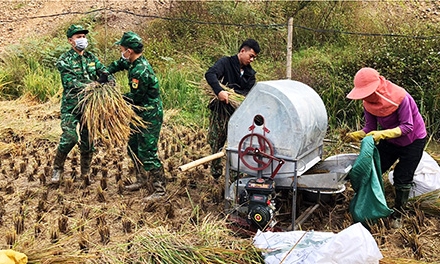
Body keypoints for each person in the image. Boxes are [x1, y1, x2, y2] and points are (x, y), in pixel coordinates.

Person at [346, 67, 427, 228]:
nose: (365, 96)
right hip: (391, 141)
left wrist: (382, 134)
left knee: (402, 177)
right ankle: (370, 203)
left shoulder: (400, 97)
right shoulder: (368, 103)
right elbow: (369, 128)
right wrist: (358, 134)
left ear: (376, 87)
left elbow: (407, 127)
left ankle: (398, 213)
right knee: (374, 168)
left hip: (413, 140)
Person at [107, 31, 166, 198]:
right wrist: (106, 71)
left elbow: (136, 98)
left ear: (129, 51)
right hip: (138, 113)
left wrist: (115, 97)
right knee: (133, 146)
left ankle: (160, 189)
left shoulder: (140, 71)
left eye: (122, 48)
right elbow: (120, 64)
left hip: (149, 114)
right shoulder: (133, 63)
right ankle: (141, 179)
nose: (121, 51)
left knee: (148, 151)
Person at [52, 24, 113, 185]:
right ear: (70, 41)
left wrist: (107, 79)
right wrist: (92, 85)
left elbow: (105, 72)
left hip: (90, 106)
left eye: (84, 37)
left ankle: (85, 173)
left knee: (89, 140)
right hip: (71, 106)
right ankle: (57, 169)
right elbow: (70, 83)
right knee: (70, 137)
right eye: (79, 37)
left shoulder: (91, 58)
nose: (82, 39)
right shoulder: (64, 60)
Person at [205, 39, 260, 180]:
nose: (252, 60)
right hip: (221, 111)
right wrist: (219, 92)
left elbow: (249, 93)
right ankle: (215, 174)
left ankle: (235, 177)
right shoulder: (226, 63)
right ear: (242, 51)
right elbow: (210, 74)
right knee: (217, 142)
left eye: (254, 57)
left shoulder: (250, 74)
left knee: (237, 146)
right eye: (251, 56)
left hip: (238, 115)